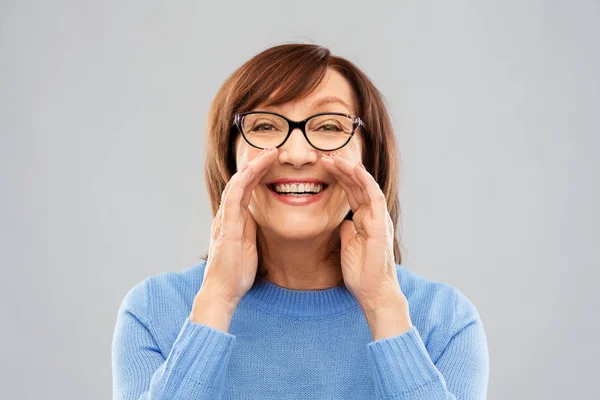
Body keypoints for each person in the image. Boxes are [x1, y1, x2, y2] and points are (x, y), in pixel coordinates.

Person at [112, 43, 489, 399]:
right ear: (229, 158)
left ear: (369, 158)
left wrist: (382, 306)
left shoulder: (445, 320)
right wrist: (217, 301)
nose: (295, 153)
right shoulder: (153, 310)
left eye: (328, 126)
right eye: (264, 126)